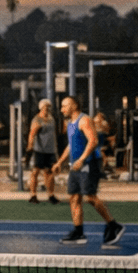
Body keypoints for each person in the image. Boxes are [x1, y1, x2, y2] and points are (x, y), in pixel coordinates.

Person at [54, 97, 123, 246]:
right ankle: (78, 232)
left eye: (64, 106)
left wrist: (82, 159)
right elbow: (70, 146)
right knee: (74, 198)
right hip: (76, 165)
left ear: (74, 105)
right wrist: (60, 162)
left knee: (90, 197)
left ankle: (113, 225)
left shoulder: (84, 120)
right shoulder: (70, 123)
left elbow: (93, 141)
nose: (61, 109)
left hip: (89, 163)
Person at [26, 99, 60, 204]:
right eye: (45, 106)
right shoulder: (37, 119)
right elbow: (32, 134)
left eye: (49, 106)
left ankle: (51, 195)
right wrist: (30, 146)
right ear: (41, 107)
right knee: (35, 172)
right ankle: (33, 195)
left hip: (50, 150)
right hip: (39, 150)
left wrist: (56, 150)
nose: (48, 108)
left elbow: (53, 135)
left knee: (49, 173)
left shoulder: (51, 119)